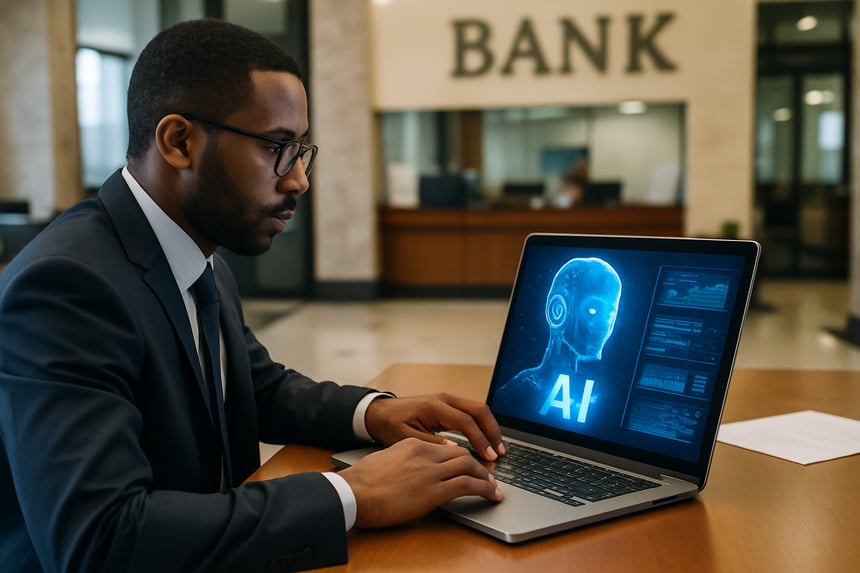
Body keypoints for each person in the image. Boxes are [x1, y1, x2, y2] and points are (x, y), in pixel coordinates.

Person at [0, 19, 505, 573]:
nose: (298, 181)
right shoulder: (67, 286)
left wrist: (375, 412)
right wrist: (352, 495)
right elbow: (99, 540)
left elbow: (252, 387)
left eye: (301, 150)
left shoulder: (198, 253)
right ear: (179, 142)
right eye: (276, 148)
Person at [494, 258, 621, 420]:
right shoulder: (526, 387)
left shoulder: (598, 394)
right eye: (592, 311)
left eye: (610, 315)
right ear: (558, 309)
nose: (604, 325)